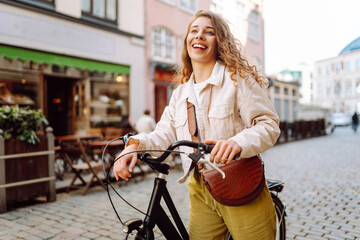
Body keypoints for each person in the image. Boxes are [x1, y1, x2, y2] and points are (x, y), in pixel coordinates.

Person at [113, 10, 280, 239]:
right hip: (199, 185)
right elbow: (162, 134)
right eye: (194, 31)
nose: (199, 36)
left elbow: (268, 124)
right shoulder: (181, 93)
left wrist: (237, 143)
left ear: (219, 42)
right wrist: (133, 145)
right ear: (187, 41)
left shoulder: (236, 79)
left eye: (209, 32)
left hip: (238, 182)